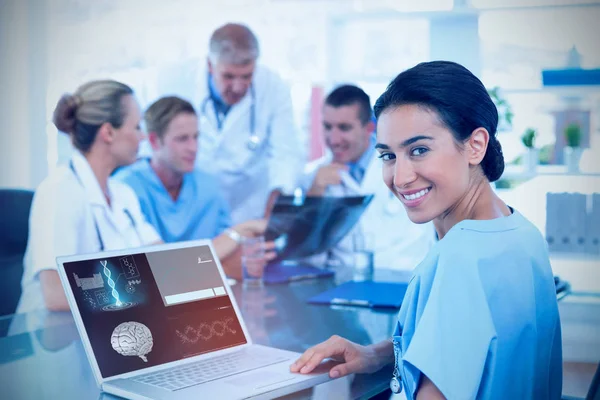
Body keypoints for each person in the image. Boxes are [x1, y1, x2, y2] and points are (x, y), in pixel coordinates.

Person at [290, 62, 562, 399]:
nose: (400, 178)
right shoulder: (522, 233)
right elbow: (465, 338)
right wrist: (375, 355)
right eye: (388, 155)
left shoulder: (458, 260)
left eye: (419, 150)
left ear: (475, 145)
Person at [18, 80, 162, 313]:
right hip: (52, 341)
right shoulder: (58, 191)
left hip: (111, 330)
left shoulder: (123, 194)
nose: (143, 138)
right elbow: (55, 295)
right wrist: (143, 290)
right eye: (136, 127)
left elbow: (162, 260)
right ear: (108, 132)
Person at [162, 23, 305, 224]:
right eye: (228, 77)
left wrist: (280, 191)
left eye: (246, 76)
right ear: (210, 66)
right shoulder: (175, 81)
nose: (238, 87)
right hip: (192, 206)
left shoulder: (273, 86)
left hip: (250, 209)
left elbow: (286, 151)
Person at [117, 96, 273, 277]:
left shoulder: (208, 186)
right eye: (182, 139)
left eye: (196, 137)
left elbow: (232, 256)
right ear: (154, 141)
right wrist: (240, 231)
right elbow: (152, 269)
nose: (193, 148)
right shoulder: (126, 189)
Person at [303, 85, 434, 269]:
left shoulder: (403, 165)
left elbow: (419, 242)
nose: (334, 139)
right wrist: (315, 195)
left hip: (401, 282)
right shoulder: (314, 177)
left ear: (369, 128)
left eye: (344, 128)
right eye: (327, 127)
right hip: (342, 289)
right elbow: (307, 258)